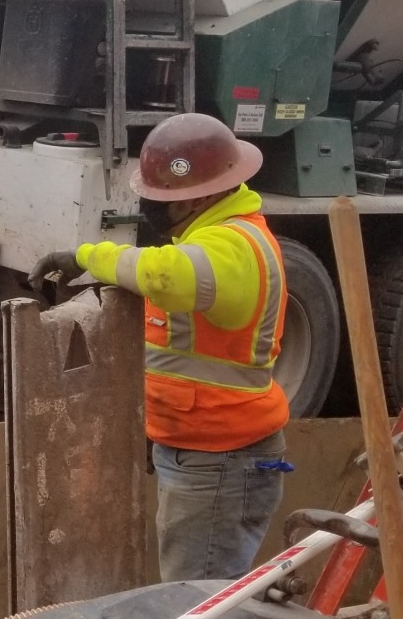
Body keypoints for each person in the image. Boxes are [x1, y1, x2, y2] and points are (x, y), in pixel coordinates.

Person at [28, 113, 290, 582]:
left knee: (197, 602)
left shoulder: (231, 245)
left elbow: (163, 274)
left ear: (206, 193)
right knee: (199, 592)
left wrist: (86, 256)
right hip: (204, 450)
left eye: (166, 200)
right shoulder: (210, 236)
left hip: (219, 456)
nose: (154, 210)